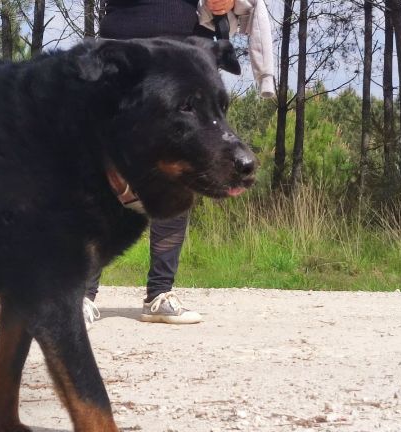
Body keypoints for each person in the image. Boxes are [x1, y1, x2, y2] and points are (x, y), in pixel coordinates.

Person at [84, 0, 275, 328]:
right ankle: (82, 293)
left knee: (181, 163)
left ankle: (160, 293)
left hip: (181, 46)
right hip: (121, 47)